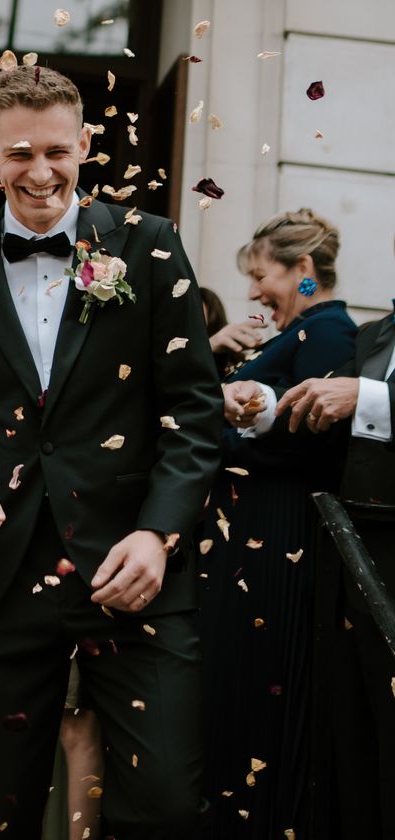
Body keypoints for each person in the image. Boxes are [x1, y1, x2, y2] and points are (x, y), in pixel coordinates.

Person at [0, 65, 223, 839]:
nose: (41, 172)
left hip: (133, 567)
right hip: (1, 569)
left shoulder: (150, 244)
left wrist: (158, 534)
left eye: (57, 151)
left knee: (164, 802)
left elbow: (195, 410)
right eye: (19, 153)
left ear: (86, 144)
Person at [197, 208, 357, 838]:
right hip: (249, 536)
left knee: (258, 690)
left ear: (304, 271)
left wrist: (221, 438)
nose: (254, 291)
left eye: (262, 276)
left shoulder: (328, 332)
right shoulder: (294, 333)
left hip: (278, 537)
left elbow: (316, 445)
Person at [276, 277, 395, 839]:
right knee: (358, 737)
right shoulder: (373, 335)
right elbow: (327, 412)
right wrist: (259, 409)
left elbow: (360, 398)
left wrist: (367, 398)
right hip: (359, 556)